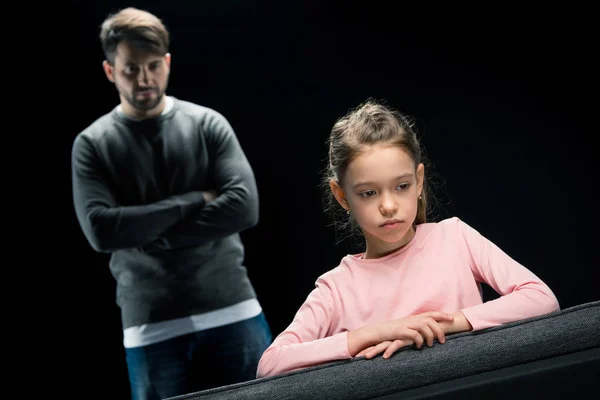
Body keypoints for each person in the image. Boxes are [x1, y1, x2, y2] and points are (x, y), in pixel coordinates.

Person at [256, 99, 560, 378]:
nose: (388, 206)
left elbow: (542, 299)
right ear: (342, 195)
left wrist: (443, 324)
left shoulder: (454, 237)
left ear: (418, 181)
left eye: (401, 186)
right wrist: (379, 332)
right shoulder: (336, 288)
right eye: (369, 193)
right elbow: (270, 365)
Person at [71, 7, 272, 400]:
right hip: (151, 325)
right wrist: (193, 200)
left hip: (233, 309)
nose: (144, 79)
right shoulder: (92, 144)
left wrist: (149, 235)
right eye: (131, 69)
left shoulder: (207, 124)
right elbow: (101, 230)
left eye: (152, 66)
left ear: (166, 63)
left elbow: (245, 207)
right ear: (111, 71)